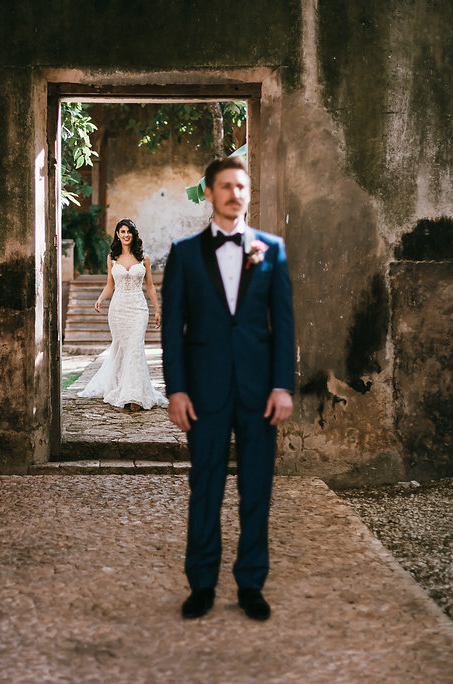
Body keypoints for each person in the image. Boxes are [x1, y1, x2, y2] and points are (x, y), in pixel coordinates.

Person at [161, 156, 295, 621]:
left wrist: (282, 385)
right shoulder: (183, 253)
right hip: (204, 393)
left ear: (248, 193)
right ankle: (201, 585)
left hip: (260, 394)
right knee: (206, 487)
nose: (234, 193)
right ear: (210, 192)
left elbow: (284, 325)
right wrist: (176, 390)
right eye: (225, 186)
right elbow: (172, 329)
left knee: (257, 489)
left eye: (241, 186)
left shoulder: (271, 250)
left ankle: (251, 585)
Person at [78, 218, 167, 411]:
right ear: (117, 234)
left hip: (138, 309)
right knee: (123, 349)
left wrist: (157, 309)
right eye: (122, 231)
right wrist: (101, 299)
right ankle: (122, 388)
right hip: (118, 310)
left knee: (135, 348)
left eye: (129, 231)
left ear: (133, 235)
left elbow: (150, 286)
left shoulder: (144, 258)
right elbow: (110, 284)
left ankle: (134, 396)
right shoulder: (112, 258)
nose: (126, 235)